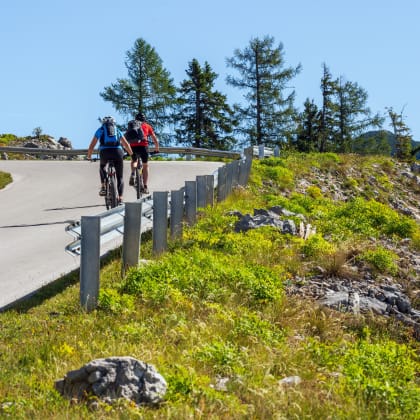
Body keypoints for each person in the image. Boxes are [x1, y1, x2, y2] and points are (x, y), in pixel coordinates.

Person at [87, 116, 133, 205]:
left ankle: (103, 186)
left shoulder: (100, 130)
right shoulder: (117, 130)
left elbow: (92, 145)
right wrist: (132, 155)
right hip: (118, 152)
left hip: (104, 152)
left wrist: (89, 156)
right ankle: (120, 198)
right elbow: (126, 144)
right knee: (120, 177)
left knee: (102, 166)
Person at [126, 112, 159, 194]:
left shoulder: (132, 125)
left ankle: (133, 173)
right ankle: (145, 186)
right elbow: (155, 139)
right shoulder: (147, 126)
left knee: (134, 160)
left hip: (133, 146)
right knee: (145, 165)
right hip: (143, 147)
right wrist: (157, 149)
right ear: (144, 120)